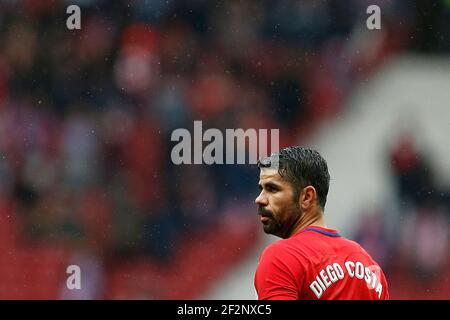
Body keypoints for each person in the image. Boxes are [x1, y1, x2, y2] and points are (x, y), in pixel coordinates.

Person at [254, 146, 389, 300]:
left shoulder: (281, 258)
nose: (259, 199)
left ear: (307, 197)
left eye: (272, 189)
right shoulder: (369, 265)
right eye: (261, 189)